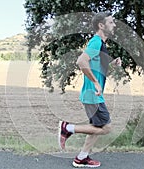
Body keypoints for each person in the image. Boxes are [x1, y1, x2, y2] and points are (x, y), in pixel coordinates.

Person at [58, 12, 122, 168]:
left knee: (97, 127)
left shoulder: (101, 45)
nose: (114, 25)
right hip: (93, 95)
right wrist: (95, 82)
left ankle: (81, 157)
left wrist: (112, 64)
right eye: (111, 22)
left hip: (93, 95)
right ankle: (68, 128)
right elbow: (81, 61)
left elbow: (96, 67)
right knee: (106, 128)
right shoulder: (96, 42)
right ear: (101, 25)